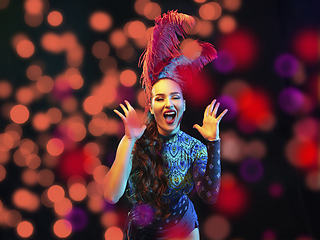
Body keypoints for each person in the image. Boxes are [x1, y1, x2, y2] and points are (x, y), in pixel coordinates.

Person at [103, 10, 228, 240]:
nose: (168, 103)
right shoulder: (134, 140)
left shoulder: (194, 148)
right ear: (151, 106)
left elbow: (209, 196)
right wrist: (129, 141)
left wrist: (213, 143)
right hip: (141, 232)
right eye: (160, 98)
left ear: (184, 105)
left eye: (175, 97)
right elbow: (111, 195)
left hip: (183, 227)